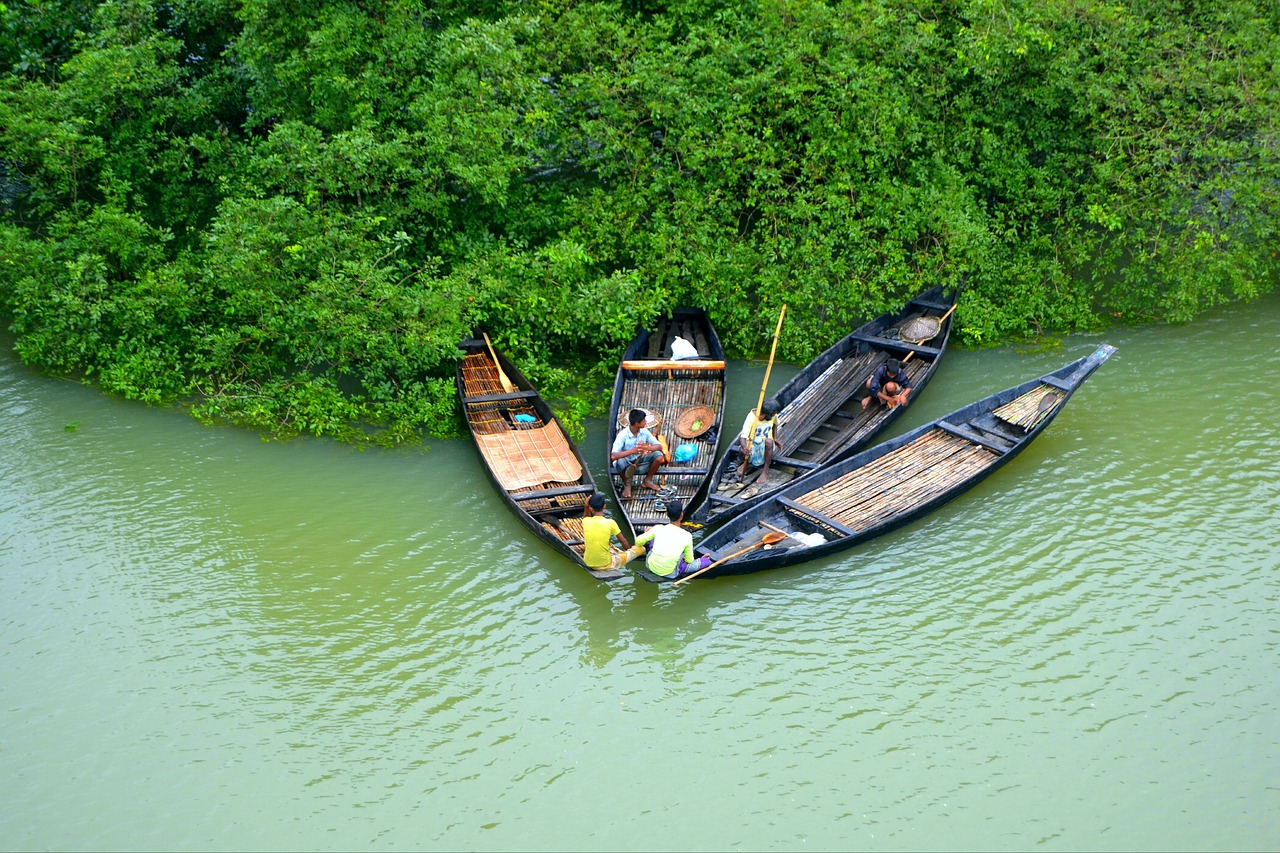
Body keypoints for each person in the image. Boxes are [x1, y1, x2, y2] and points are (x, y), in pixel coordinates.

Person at [633, 500, 712, 580]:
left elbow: (638, 541)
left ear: (667, 514)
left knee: (653, 536)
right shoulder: (687, 536)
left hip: (650, 565)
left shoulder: (658, 528)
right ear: (681, 515)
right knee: (707, 562)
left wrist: (650, 532)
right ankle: (704, 560)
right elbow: (689, 561)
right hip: (670, 573)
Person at [611, 408, 666, 500]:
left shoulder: (644, 432)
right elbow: (613, 456)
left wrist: (646, 448)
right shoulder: (623, 435)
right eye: (644, 420)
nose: (646, 422)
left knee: (659, 456)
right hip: (627, 463)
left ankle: (647, 480)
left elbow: (659, 446)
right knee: (620, 462)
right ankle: (627, 484)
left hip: (640, 460)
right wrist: (632, 451)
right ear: (637, 423)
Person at [582, 493, 645, 571]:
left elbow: (586, 517)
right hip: (605, 564)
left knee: (608, 545)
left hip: (588, 562)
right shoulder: (610, 522)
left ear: (591, 508)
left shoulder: (586, 521)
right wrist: (629, 551)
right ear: (604, 506)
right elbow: (623, 541)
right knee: (641, 548)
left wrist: (586, 507)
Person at [736, 400, 782, 484]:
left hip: (766, 446)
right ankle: (746, 463)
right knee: (741, 450)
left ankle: (765, 471)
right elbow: (743, 437)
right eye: (773, 414)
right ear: (765, 414)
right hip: (752, 443)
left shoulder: (773, 416)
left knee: (769, 441)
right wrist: (745, 447)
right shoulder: (751, 417)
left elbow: (775, 424)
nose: (775, 415)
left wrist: (775, 438)